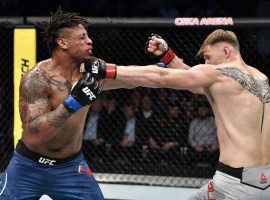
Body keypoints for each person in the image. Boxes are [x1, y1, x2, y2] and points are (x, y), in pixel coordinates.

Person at [88, 29, 270, 199]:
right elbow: (195, 80)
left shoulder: (219, 73)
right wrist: (169, 56)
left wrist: (107, 69)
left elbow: (161, 77)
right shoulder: (261, 78)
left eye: (207, 57)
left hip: (233, 181)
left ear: (226, 50)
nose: (205, 64)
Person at [0, 8, 134, 200]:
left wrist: (167, 63)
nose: (90, 41)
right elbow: (35, 135)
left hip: (71, 167)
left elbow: (139, 77)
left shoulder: (91, 74)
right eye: (82, 37)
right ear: (62, 43)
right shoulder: (37, 78)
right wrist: (73, 103)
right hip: (27, 166)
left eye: (88, 36)